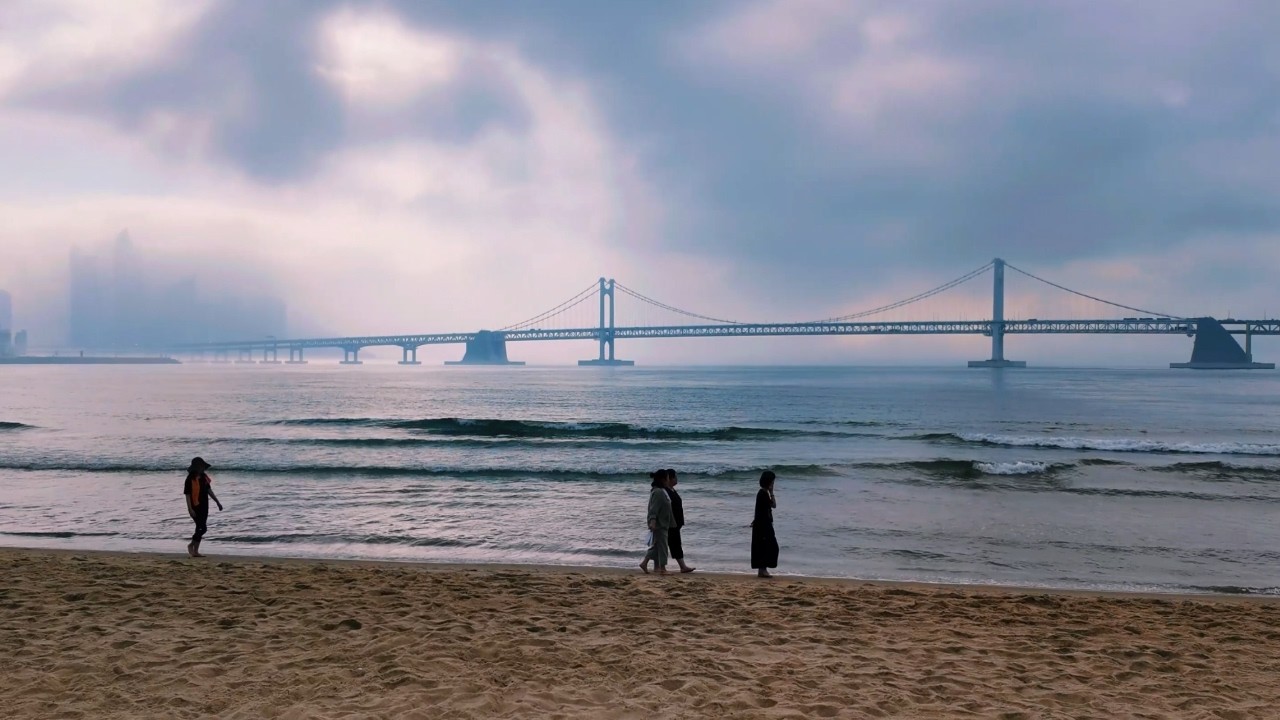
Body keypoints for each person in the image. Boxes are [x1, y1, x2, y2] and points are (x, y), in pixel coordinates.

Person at [182, 457, 222, 557]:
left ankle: (195, 550)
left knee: (201, 528)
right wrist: (190, 509)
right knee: (202, 528)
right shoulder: (189, 479)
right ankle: (191, 546)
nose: (203, 468)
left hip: (204, 505)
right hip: (195, 506)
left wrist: (217, 502)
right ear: (196, 467)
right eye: (201, 466)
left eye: (203, 466)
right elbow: (187, 495)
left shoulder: (204, 478)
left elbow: (209, 491)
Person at [639, 469, 675, 575]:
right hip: (659, 524)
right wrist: (652, 521)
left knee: (658, 546)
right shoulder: (658, 492)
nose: (669, 480)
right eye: (668, 478)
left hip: (664, 523)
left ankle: (644, 563)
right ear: (663, 479)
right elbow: (653, 509)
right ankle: (663, 568)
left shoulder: (662, 490)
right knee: (662, 546)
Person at [666, 468, 695, 573]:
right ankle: (682, 566)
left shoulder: (671, 490)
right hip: (671, 523)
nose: (677, 479)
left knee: (673, 544)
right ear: (670, 478)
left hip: (676, 523)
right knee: (673, 544)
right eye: (675, 477)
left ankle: (682, 566)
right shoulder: (666, 491)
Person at [750, 470, 778, 578]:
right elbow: (774, 505)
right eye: (772, 481)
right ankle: (763, 570)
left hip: (761, 524)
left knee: (764, 546)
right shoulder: (763, 494)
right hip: (763, 525)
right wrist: (772, 492)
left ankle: (762, 570)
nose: (773, 484)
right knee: (769, 546)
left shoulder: (762, 493)